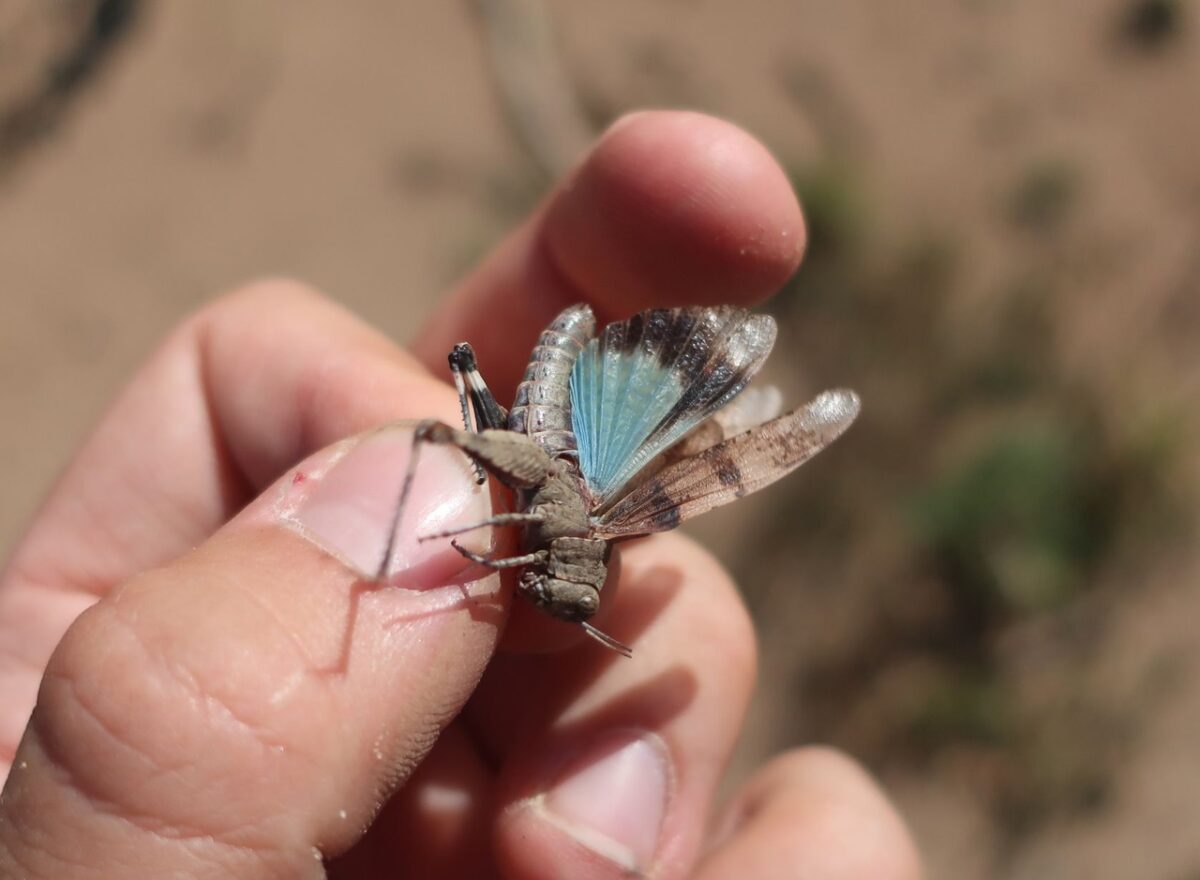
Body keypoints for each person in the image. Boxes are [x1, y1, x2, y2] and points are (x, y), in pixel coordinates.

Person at [0, 111, 921, 879]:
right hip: (561, 432)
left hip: (586, 453)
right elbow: (514, 531)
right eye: (577, 592)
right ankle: (392, 521)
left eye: (573, 595)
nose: (566, 597)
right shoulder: (562, 530)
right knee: (450, 424)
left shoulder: (584, 541)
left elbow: (537, 546)